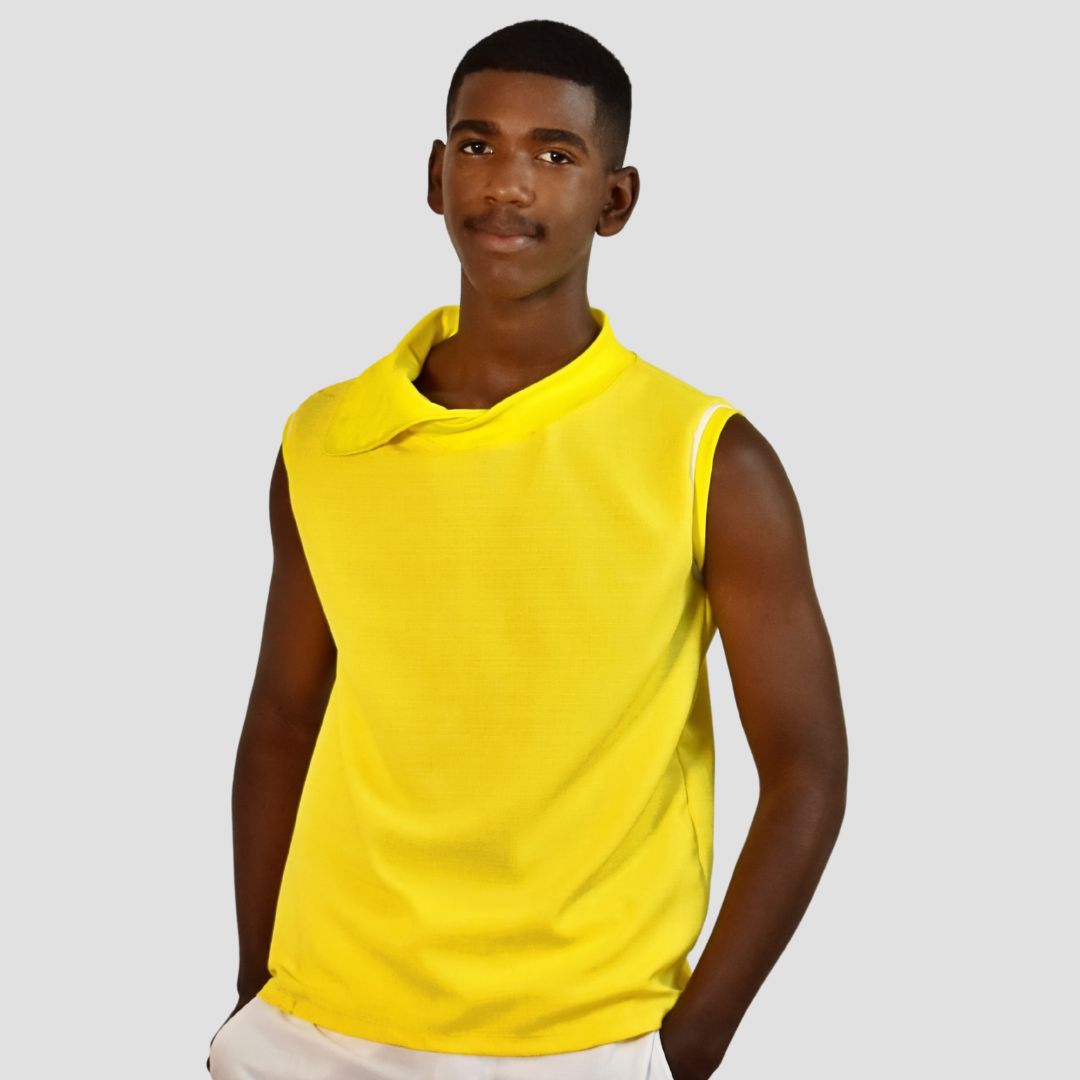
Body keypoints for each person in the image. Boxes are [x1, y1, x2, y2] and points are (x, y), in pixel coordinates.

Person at [208, 18, 847, 1080]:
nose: (507, 183)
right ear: (434, 175)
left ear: (615, 200)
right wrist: (255, 991)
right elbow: (282, 721)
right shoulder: (325, 438)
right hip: (313, 1023)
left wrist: (688, 1046)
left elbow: (807, 768)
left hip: (582, 1040)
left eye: (556, 154)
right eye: (478, 145)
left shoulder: (710, 458)